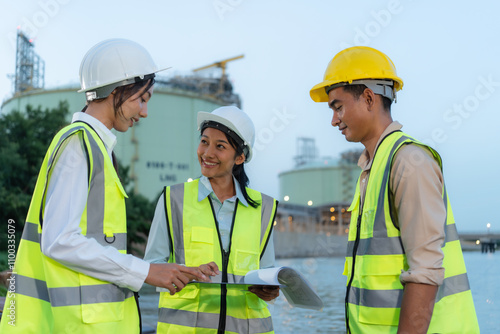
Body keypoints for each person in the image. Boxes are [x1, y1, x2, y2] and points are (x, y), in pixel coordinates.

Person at [0, 38, 210, 333]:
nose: (145, 112)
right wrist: (146, 271)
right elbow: (59, 240)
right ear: (117, 90)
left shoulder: (95, 147)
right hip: (76, 326)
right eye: (142, 98)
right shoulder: (79, 145)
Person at [310, 46, 480, 334]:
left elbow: (424, 273)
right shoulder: (374, 167)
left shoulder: (409, 163)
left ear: (368, 98)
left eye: (338, 107)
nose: (334, 120)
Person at [144, 106, 280, 334]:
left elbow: (267, 272)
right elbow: (152, 268)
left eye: (220, 146)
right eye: (204, 142)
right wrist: (188, 272)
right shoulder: (173, 199)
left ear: (240, 157)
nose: (207, 153)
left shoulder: (263, 208)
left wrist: (270, 290)